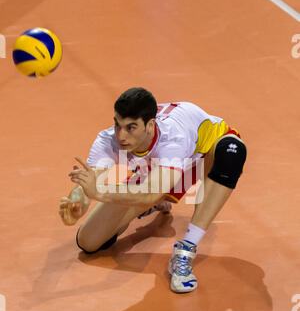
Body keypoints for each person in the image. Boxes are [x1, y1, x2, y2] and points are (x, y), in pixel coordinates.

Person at [59, 88, 247, 293]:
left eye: (131, 128)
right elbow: (91, 181)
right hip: (158, 173)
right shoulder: (108, 140)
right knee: (88, 242)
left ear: (150, 125)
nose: (121, 135)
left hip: (203, 155)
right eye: (117, 125)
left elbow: (150, 192)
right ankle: (150, 205)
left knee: (232, 152)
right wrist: (78, 202)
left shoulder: (172, 138)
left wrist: (100, 194)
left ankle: (185, 251)